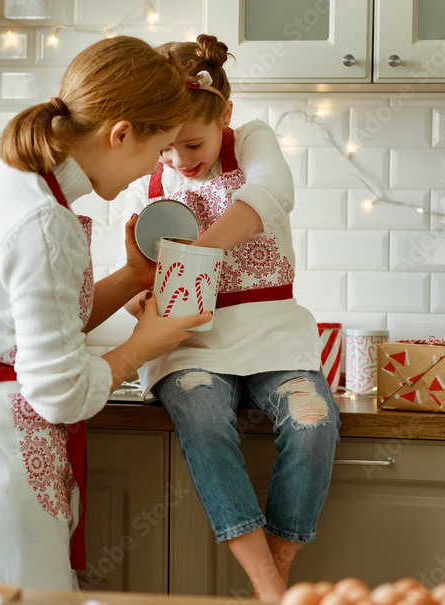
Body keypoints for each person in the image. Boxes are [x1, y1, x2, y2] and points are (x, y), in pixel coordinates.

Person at [0, 36, 212, 591]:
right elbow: (61, 392)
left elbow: (31, 327)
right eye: (158, 150)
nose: (157, 168)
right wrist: (145, 344)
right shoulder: (42, 220)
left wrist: (131, 277)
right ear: (120, 133)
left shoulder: (10, 182)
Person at [124, 34, 340, 600]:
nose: (177, 161)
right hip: (191, 344)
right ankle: (267, 582)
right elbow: (138, 272)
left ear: (224, 113)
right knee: (200, 412)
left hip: (274, 334)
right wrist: (140, 300)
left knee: (314, 420)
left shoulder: (251, 144)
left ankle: (281, 555)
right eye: (165, 148)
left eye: (190, 144)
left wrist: (196, 255)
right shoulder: (151, 175)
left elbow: (272, 192)